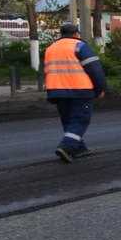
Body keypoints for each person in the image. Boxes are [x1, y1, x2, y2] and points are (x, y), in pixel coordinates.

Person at [44, 23, 107, 162]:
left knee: (69, 120)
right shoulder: (80, 46)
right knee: (79, 120)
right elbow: (95, 69)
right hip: (80, 90)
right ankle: (67, 147)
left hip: (57, 91)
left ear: (61, 33)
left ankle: (79, 148)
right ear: (75, 34)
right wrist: (101, 89)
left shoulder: (50, 49)